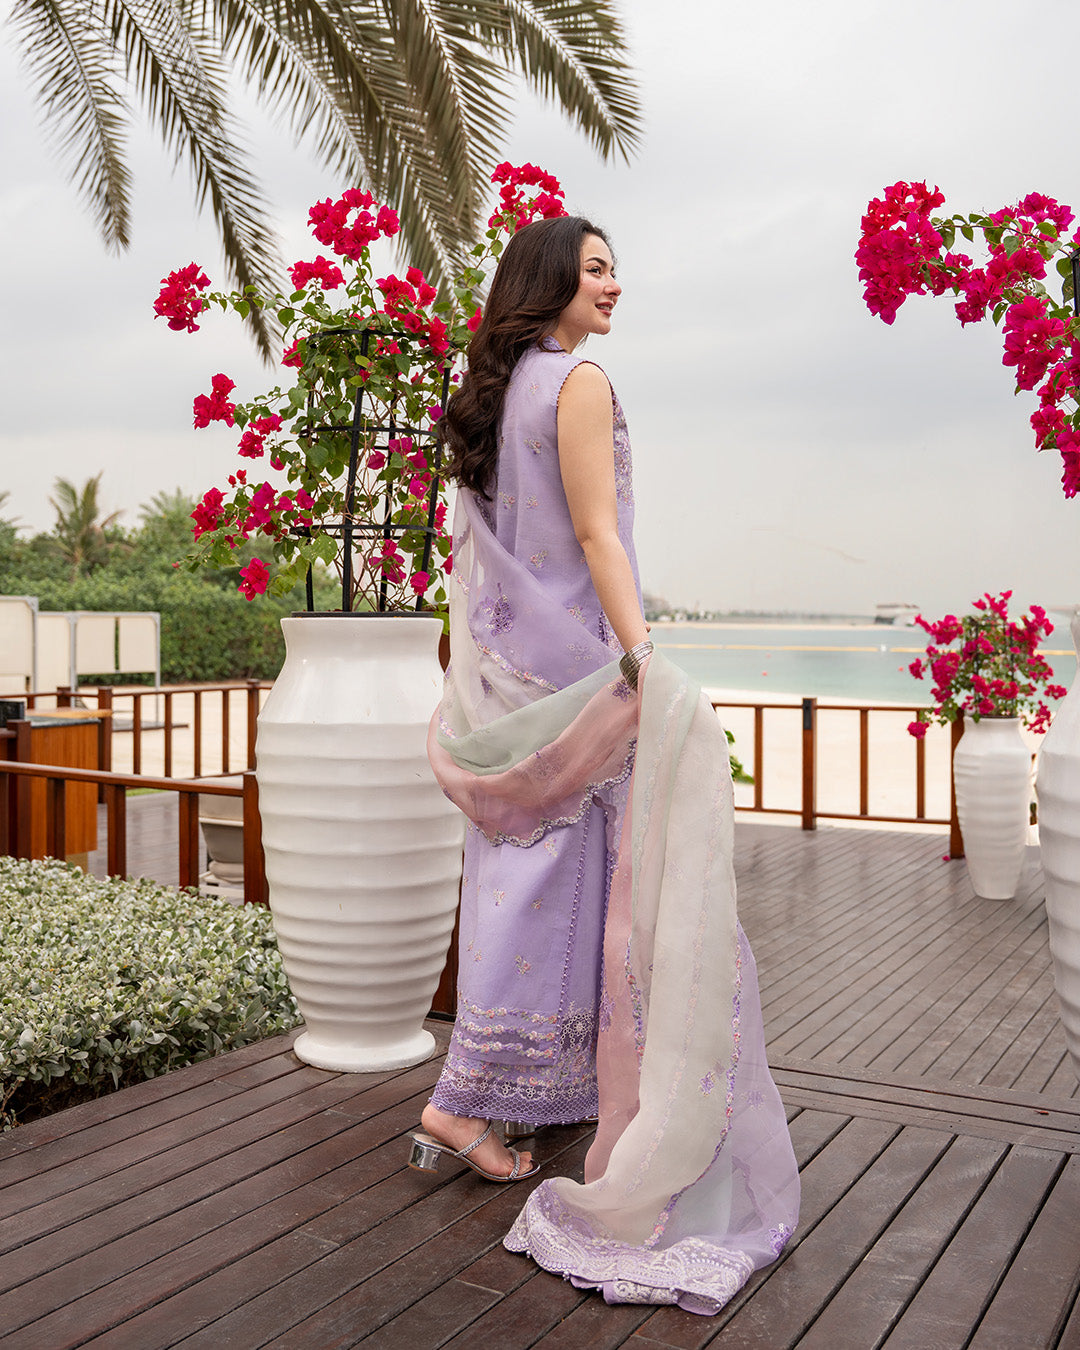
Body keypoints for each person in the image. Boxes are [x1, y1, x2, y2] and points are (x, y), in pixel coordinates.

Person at [412, 215, 800, 1313]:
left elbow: (484, 554)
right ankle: (470, 1101)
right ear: (548, 283)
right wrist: (641, 653)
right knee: (590, 884)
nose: (615, 285)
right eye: (595, 269)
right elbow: (596, 536)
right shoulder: (578, 384)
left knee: (519, 880)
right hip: (577, 677)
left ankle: (501, 1091)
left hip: (503, 683)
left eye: (616, 268)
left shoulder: (490, 394)